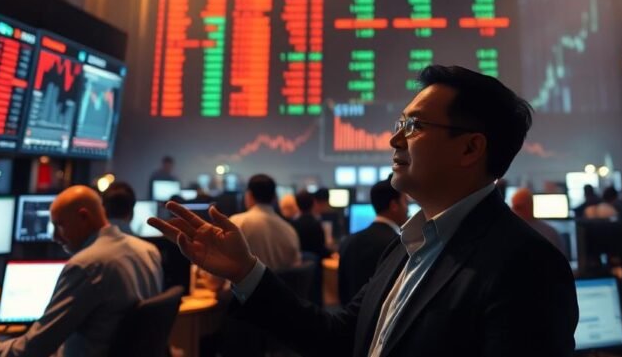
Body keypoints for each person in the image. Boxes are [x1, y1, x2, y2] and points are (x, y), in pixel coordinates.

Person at [150, 65, 578, 356]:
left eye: (414, 127)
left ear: (471, 147)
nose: (395, 141)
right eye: (399, 125)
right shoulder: (406, 246)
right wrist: (245, 272)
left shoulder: (527, 265)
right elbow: (340, 339)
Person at [0, 185, 163, 357]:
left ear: (84, 217)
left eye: (59, 225)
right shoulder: (148, 250)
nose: (55, 236)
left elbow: (37, 347)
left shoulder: (87, 265)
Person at [337, 179, 408, 305]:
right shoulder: (399, 245)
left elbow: (342, 291)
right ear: (394, 205)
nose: (408, 209)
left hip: (348, 319)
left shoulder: (348, 241)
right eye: (405, 202)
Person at [229, 174, 301, 271]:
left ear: (249, 195)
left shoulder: (236, 223)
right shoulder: (289, 230)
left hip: (244, 286)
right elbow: (296, 269)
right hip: (278, 286)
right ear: (274, 197)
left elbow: (217, 276)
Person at [509, 187, 568, 259]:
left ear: (531, 205)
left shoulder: (550, 233)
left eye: (518, 207)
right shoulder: (509, 232)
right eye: (513, 207)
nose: (514, 211)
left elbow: (560, 261)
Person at [291, 190, 329, 259]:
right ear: (313, 203)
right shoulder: (316, 224)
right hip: (315, 264)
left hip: (298, 263)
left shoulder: (292, 224)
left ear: (297, 204)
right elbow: (321, 248)